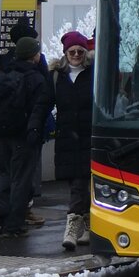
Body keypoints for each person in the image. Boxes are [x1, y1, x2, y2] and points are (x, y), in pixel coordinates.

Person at [0, 36, 52, 238]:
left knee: (5, 173)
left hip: (3, 134)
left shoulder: (4, 74)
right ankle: (13, 224)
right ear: (34, 55)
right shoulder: (36, 78)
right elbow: (39, 109)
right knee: (21, 179)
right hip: (24, 136)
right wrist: (34, 132)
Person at [51, 31, 93, 251]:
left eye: (80, 51)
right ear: (65, 54)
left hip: (88, 137)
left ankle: (71, 227)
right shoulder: (57, 77)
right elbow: (45, 103)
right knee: (77, 184)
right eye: (72, 51)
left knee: (79, 184)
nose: (76, 55)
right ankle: (87, 225)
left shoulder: (94, 75)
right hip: (67, 138)